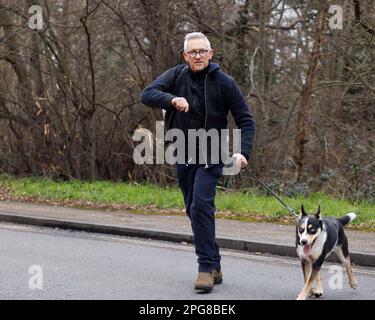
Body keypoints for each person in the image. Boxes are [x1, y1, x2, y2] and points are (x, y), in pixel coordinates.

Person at [141, 32, 255, 292]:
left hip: (212, 153)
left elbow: (246, 120)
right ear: (185, 56)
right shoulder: (176, 76)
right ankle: (214, 262)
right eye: (193, 52)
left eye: (202, 51)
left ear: (211, 53)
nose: (198, 55)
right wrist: (171, 99)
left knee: (202, 205)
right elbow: (147, 94)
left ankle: (205, 268)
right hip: (182, 150)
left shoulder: (224, 83)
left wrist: (243, 153)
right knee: (193, 209)